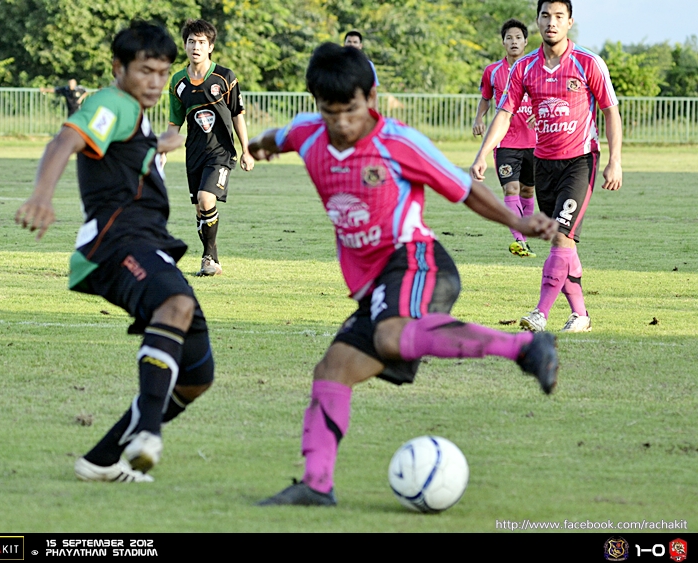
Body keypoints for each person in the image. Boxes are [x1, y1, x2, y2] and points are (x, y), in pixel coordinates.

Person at [247, 43, 560, 507]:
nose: (342, 123)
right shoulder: (308, 133)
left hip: (415, 261)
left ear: (370, 97)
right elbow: (279, 136)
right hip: (375, 286)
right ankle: (316, 485)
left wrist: (517, 221)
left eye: (351, 110)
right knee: (333, 369)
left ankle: (524, 347)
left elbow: (464, 188)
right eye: (330, 112)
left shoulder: (397, 142)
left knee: (391, 336)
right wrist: (259, 145)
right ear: (317, 105)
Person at [16, 21, 215, 483]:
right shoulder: (113, 103)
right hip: (117, 243)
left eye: (163, 73)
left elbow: (123, 156)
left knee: (195, 376)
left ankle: (102, 460)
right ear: (118, 68)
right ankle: (146, 434)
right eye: (146, 71)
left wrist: (158, 145)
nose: (156, 82)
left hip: (149, 244)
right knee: (175, 304)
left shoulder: (136, 115)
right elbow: (66, 139)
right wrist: (42, 196)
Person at [471, 0, 623, 334]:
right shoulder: (524, 67)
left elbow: (610, 111)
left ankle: (540, 313)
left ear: (570, 22)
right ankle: (581, 315)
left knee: (561, 236)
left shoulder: (588, 62)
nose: (551, 22)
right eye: (545, 16)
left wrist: (615, 160)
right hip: (543, 162)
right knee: (562, 241)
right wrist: (483, 154)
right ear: (537, 21)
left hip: (580, 161)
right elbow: (504, 113)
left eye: (558, 16)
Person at [167, 19, 255, 277]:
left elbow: (237, 114)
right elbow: (174, 122)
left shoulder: (225, 77)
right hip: (194, 153)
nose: (196, 47)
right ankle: (211, 259)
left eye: (201, 42)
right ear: (185, 45)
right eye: (191, 42)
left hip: (221, 152)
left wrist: (246, 149)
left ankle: (208, 258)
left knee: (207, 199)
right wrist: (162, 152)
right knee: (200, 208)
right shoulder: (178, 82)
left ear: (211, 47)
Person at [473, 18, 538, 258]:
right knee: (511, 189)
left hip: (534, 142)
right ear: (503, 42)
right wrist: (479, 118)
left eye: (518, 37)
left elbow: (546, 96)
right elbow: (485, 98)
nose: (514, 42)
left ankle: (525, 234)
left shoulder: (535, 69)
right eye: (509, 38)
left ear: (525, 41)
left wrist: (541, 112)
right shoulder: (492, 71)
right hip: (505, 142)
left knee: (528, 192)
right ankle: (519, 240)